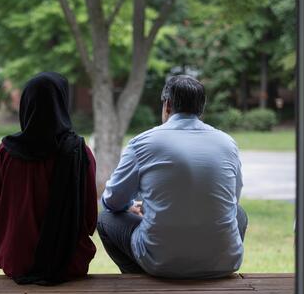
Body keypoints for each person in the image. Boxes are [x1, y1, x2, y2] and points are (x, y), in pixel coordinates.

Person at [97, 75, 247, 279]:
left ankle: (137, 278)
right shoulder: (228, 143)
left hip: (160, 261)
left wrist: (130, 207)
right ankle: (212, 262)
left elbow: (112, 201)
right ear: (201, 110)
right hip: (224, 262)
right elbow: (232, 200)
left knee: (106, 219)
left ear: (167, 105)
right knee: (239, 213)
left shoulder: (142, 143)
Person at [0, 72, 97, 285]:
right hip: (68, 263)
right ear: (63, 103)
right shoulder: (78, 152)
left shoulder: (6, 152)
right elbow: (90, 216)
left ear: (26, 104)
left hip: (16, 261)